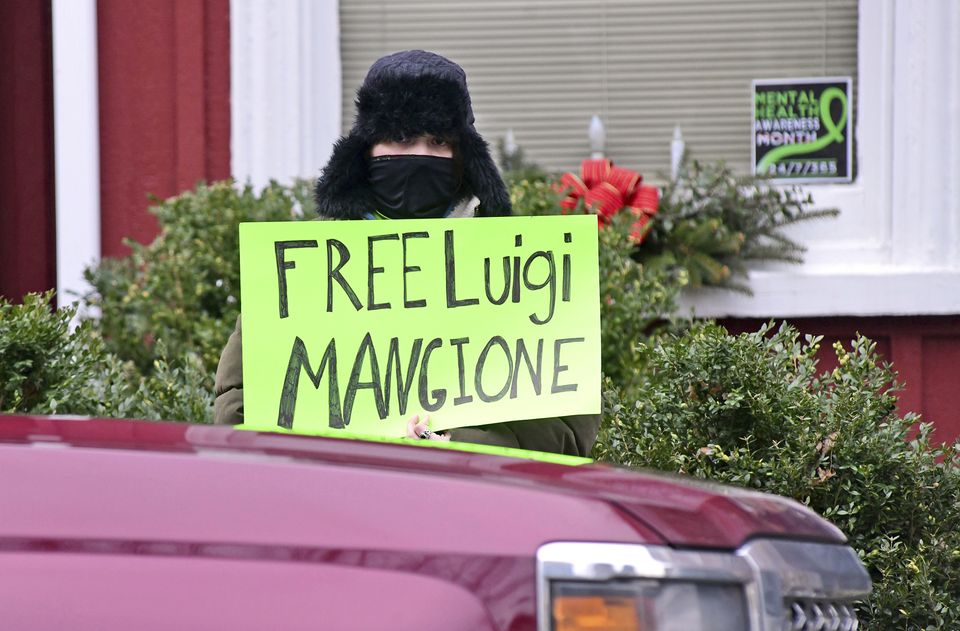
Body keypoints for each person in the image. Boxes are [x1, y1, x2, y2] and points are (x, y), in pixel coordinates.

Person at [214, 50, 599, 457]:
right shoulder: (310, 270)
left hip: (478, 504)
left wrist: (461, 445)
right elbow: (239, 414)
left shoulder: (518, 274)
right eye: (400, 138)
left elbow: (569, 438)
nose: (420, 155)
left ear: (463, 155)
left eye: (438, 141)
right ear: (367, 151)